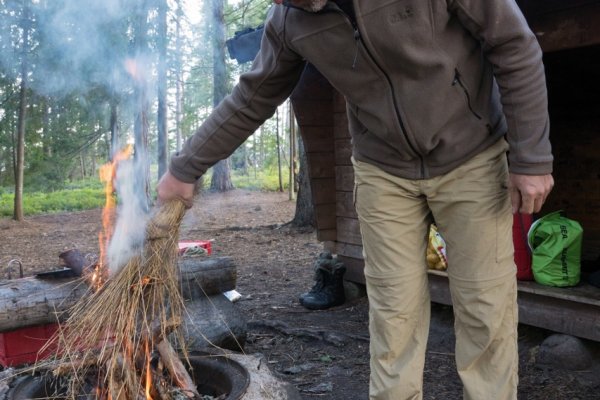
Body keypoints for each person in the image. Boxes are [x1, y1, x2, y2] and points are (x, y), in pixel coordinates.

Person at [157, 1, 554, 399]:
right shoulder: (289, 20)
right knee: (393, 315)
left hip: (471, 154)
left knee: (485, 307)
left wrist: (532, 157)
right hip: (382, 169)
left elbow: (512, 43)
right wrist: (185, 168)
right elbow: (252, 97)